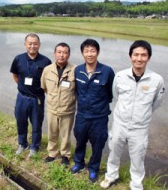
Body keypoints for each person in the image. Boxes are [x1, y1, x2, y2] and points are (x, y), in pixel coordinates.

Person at [100, 40, 165, 190]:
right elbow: (116, 95)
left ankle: (136, 185)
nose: (139, 58)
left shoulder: (157, 80)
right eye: (136, 54)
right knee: (114, 152)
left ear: (148, 57)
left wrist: (142, 115)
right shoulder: (120, 76)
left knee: (138, 158)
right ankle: (111, 176)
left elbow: (156, 103)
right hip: (120, 124)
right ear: (130, 56)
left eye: (143, 55)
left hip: (139, 127)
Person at [70, 39, 115, 183]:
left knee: (98, 144)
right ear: (82, 53)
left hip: (99, 117)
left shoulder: (107, 71)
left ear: (98, 52)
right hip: (82, 115)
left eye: (92, 51)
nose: (89, 54)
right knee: (80, 140)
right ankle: (79, 163)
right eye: (86, 51)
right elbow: (76, 91)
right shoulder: (78, 70)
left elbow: (111, 94)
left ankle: (93, 169)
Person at [10, 33, 52, 157]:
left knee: (36, 123)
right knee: (21, 122)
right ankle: (22, 144)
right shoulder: (18, 59)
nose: (32, 46)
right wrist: (23, 87)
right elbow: (15, 75)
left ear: (39, 45)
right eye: (30, 43)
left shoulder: (46, 61)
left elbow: (48, 81)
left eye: (35, 44)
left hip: (37, 99)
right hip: (22, 98)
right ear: (25, 45)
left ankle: (34, 146)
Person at [40, 42, 76, 166]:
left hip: (68, 110)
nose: (62, 55)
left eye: (65, 52)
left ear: (69, 55)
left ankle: (65, 155)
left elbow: (78, 91)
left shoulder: (74, 70)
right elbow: (44, 87)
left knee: (66, 134)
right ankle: (52, 153)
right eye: (59, 52)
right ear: (54, 54)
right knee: (52, 132)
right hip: (52, 109)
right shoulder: (47, 70)